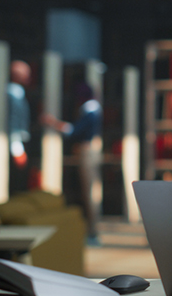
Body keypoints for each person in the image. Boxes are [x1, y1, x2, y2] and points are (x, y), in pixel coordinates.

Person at [40, 83, 103, 244]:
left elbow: (73, 131)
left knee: (89, 192)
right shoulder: (94, 110)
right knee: (90, 191)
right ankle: (92, 230)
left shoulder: (90, 111)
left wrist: (53, 123)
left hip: (87, 152)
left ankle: (93, 232)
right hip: (89, 151)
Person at [8, 60, 32, 170]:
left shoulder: (17, 93)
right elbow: (13, 121)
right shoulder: (14, 94)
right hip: (12, 144)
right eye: (26, 73)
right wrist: (17, 149)